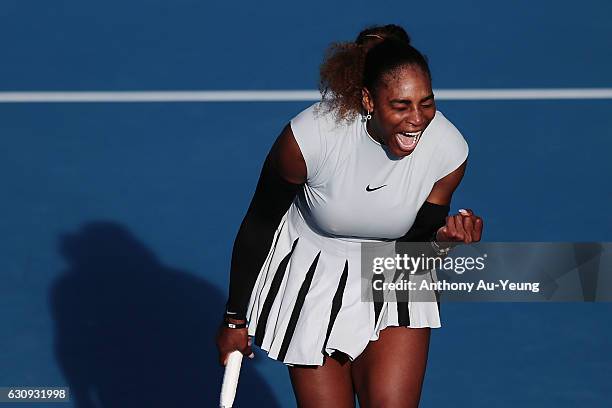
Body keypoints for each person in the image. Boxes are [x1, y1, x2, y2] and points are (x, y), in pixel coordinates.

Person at [216, 24, 483, 407]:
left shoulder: (448, 150)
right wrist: (234, 319)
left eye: (426, 103)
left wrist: (442, 242)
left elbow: (413, 247)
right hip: (313, 276)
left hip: (393, 272)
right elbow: (260, 223)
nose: (418, 120)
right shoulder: (310, 138)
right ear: (369, 99)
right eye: (401, 105)